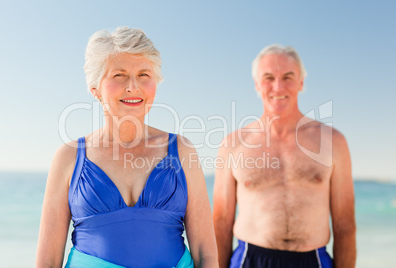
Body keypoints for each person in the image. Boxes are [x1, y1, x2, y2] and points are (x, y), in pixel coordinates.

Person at [36, 26, 218, 268]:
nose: (133, 86)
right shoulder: (68, 157)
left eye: (144, 75)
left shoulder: (182, 150)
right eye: (119, 75)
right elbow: (48, 261)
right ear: (95, 89)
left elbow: (205, 252)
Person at [213, 44, 356, 268]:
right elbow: (221, 223)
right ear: (257, 84)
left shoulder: (333, 142)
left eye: (288, 77)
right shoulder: (233, 144)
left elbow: (345, 225)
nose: (278, 86)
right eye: (269, 77)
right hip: (250, 259)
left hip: (313, 260)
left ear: (301, 82)